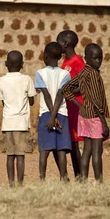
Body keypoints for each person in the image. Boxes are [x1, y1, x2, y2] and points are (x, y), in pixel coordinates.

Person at [62, 43, 109, 183]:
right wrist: (104, 123)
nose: (98, 61)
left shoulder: (83, 73)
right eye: (95, 58)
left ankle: (82, 179)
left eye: (100, 58)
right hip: (95, 116)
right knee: (96, 151)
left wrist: (78, 104)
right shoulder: (93, 75)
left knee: (87, 150)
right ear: (86, 58)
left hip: (83, 116)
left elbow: (66, 89)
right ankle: (99, 181)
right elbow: (96, 101)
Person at [0, 51, 36, 186]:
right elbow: (31, 101)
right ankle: (20, 183)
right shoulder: (27, 80)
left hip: (8, 123)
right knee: (20, 155)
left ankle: (11, 183)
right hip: (22, 123)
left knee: (9, 155)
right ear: (22, 65)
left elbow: (3, 102)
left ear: (6, 64)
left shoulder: (0, 81)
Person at [35, 43, 72, 182]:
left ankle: (42, 179)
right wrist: (56, 115)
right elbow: (60, 95)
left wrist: (51, 116)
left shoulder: (40, 73)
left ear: (45, 56)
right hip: (62, 113)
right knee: (61, 149)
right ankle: (64, 177)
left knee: (44, 149)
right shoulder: (65, 74)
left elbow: (45, 94)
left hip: (46, 114)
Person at [57, 30, 85, 178]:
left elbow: (83, 84)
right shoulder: (65, 62)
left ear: (66, 44)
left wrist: (67, 90)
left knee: (74, 144)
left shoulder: (77, 61)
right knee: (69, 143)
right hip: (65, 108)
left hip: (75, 107)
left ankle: (80, 175)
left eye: (59, 42)